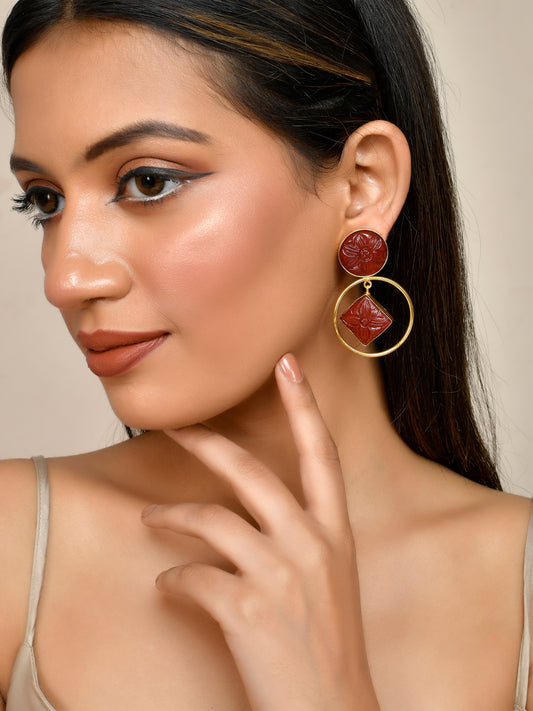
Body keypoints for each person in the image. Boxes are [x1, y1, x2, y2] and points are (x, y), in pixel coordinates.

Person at [0, 0, 530, 709]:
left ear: (362, 185)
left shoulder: (518, 585)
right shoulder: (14, 545)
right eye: (45, 200)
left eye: (148, 181)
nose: (66, 279)